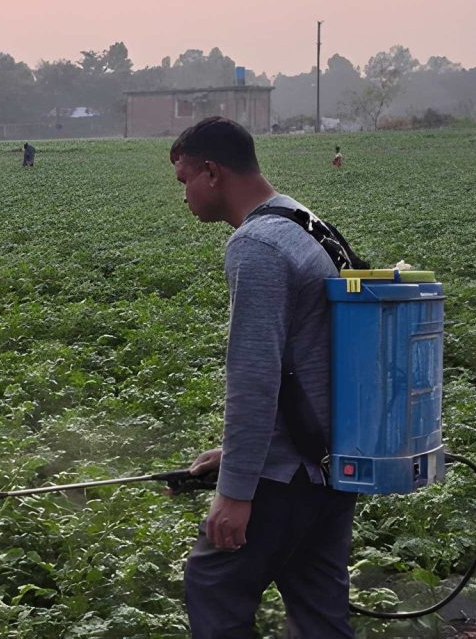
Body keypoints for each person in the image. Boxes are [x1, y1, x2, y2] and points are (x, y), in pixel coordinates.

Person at [170, 116, 356, 638]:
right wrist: (235, 455)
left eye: (183, 181)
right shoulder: (303, 221)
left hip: (290, 473)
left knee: (214, 583)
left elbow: (257, 375)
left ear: (211, 173)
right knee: (319, 609)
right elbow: (312, 354)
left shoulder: (257, 245)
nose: (183, 196)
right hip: (332, 459)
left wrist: (236, 490)